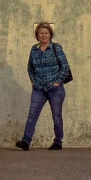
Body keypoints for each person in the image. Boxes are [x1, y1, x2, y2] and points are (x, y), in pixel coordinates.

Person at [19, 21, 72, 151]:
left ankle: (58, 142)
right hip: (39, 88)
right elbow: (30, 67)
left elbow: (65, 67)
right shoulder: (34, 49)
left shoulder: (56, 48)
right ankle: (26, 141)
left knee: (56, 116)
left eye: (46, 33)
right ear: (37, 35)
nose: (44, 36)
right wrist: (32, 80)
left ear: (50, 34)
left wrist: (57, 81)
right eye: (41, 33)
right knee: (32, 115)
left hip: (55, 88)